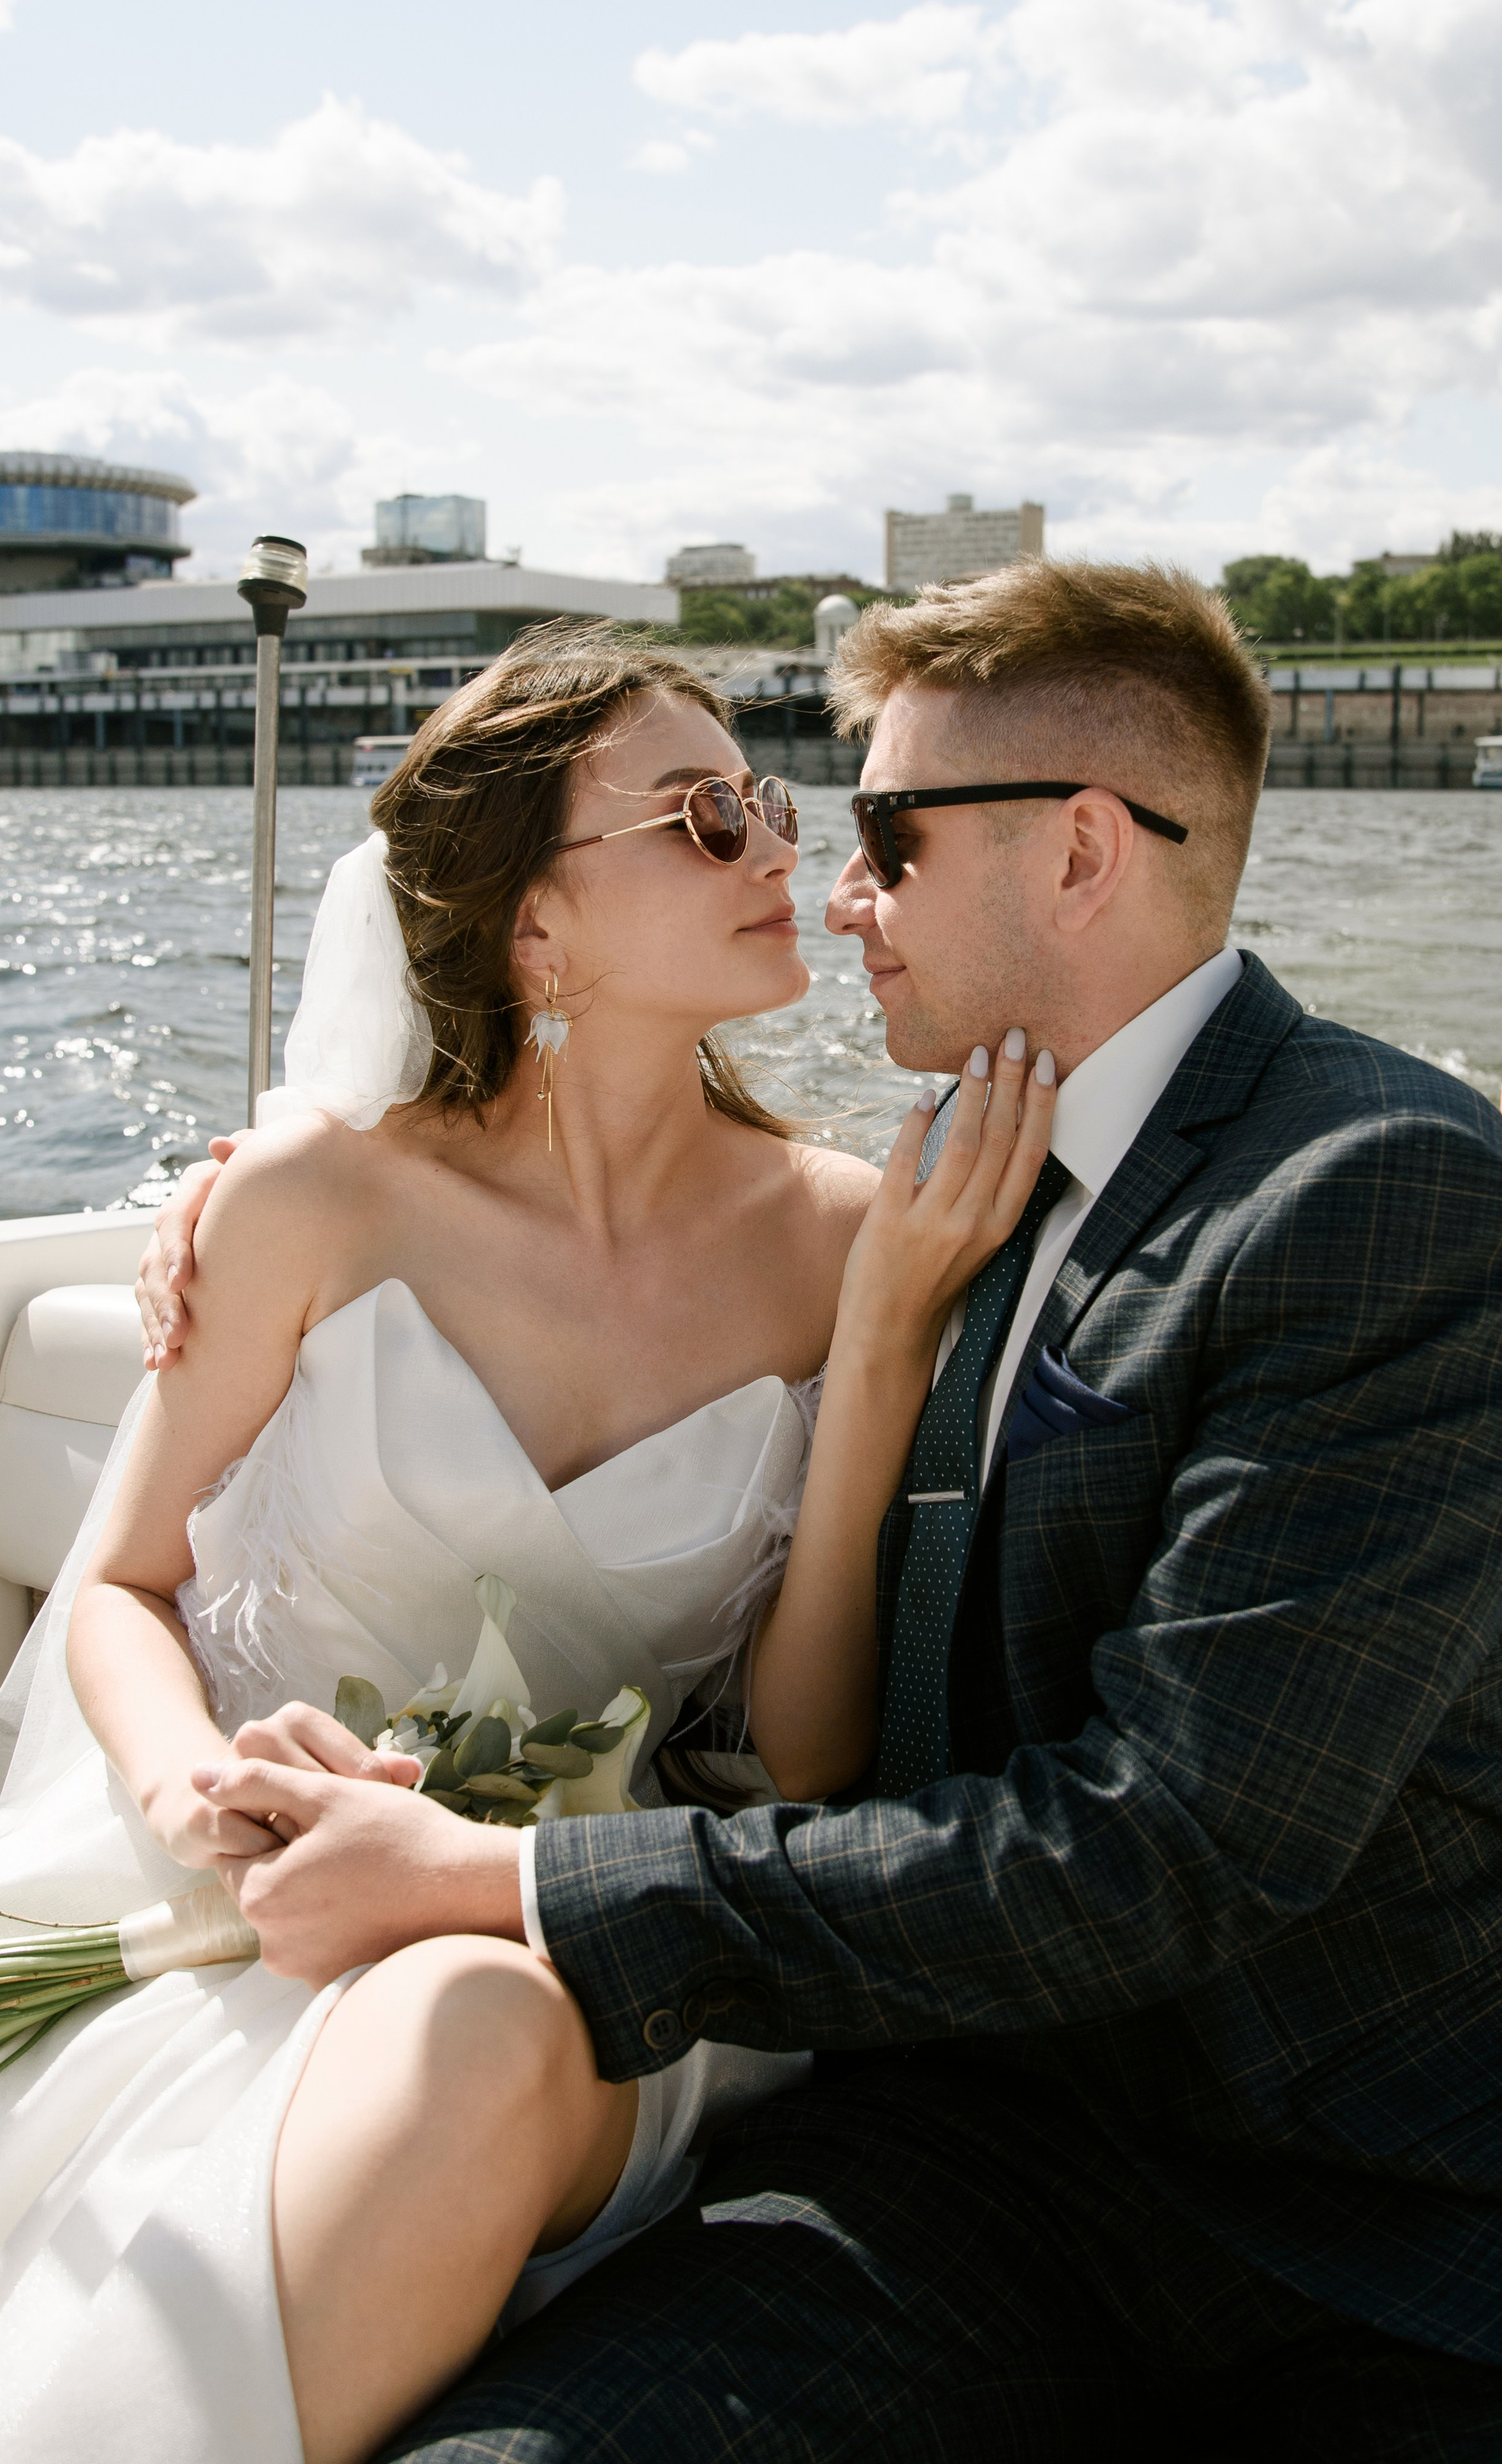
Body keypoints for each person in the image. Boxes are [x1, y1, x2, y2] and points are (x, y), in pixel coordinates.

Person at [149, 561, 1502, 2460]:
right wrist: (259, 1193)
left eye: (879, 832)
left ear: (1084, 855)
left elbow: (1168, 1847)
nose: (834, 887)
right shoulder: (959, 1185)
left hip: (1337, 2239)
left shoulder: (1380, 1196)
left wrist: (501, 1873)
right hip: (963, 2161)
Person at [0, 623, 1051, 2464]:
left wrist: (886, 1343)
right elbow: (117, 1580)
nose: (774, 857)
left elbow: (807, 1753)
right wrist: (191, 1799)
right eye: (700, 817)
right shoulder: (312, 1203)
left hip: (587, 1940)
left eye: (765, 805)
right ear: (534, 928)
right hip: (241, 1878)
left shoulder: (843, 1241)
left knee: (482, 2021)